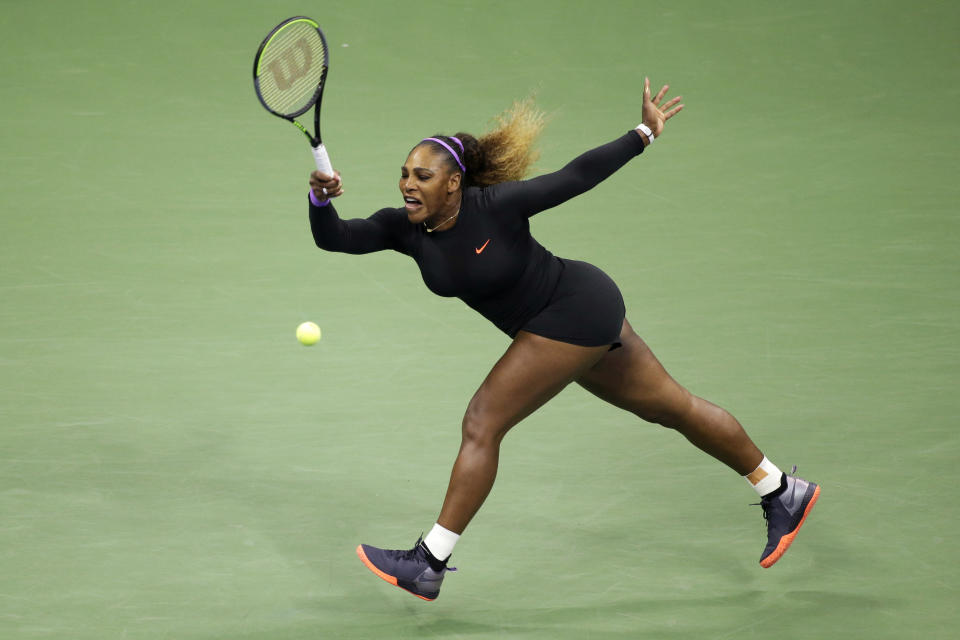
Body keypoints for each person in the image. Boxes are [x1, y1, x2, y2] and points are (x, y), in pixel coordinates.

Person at [306, 78, 819, 601]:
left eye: (423, 176)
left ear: (454, 183)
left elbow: (575, 176)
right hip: (565, 323)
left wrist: (644, 131)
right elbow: (336, 239)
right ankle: (781, 489)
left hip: (574, 307)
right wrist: (319, 200)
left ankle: (430, 560)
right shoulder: (403, 229)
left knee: (482, 421)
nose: (408, 185)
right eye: (404, 175)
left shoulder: (495, 206)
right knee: (672, 407)